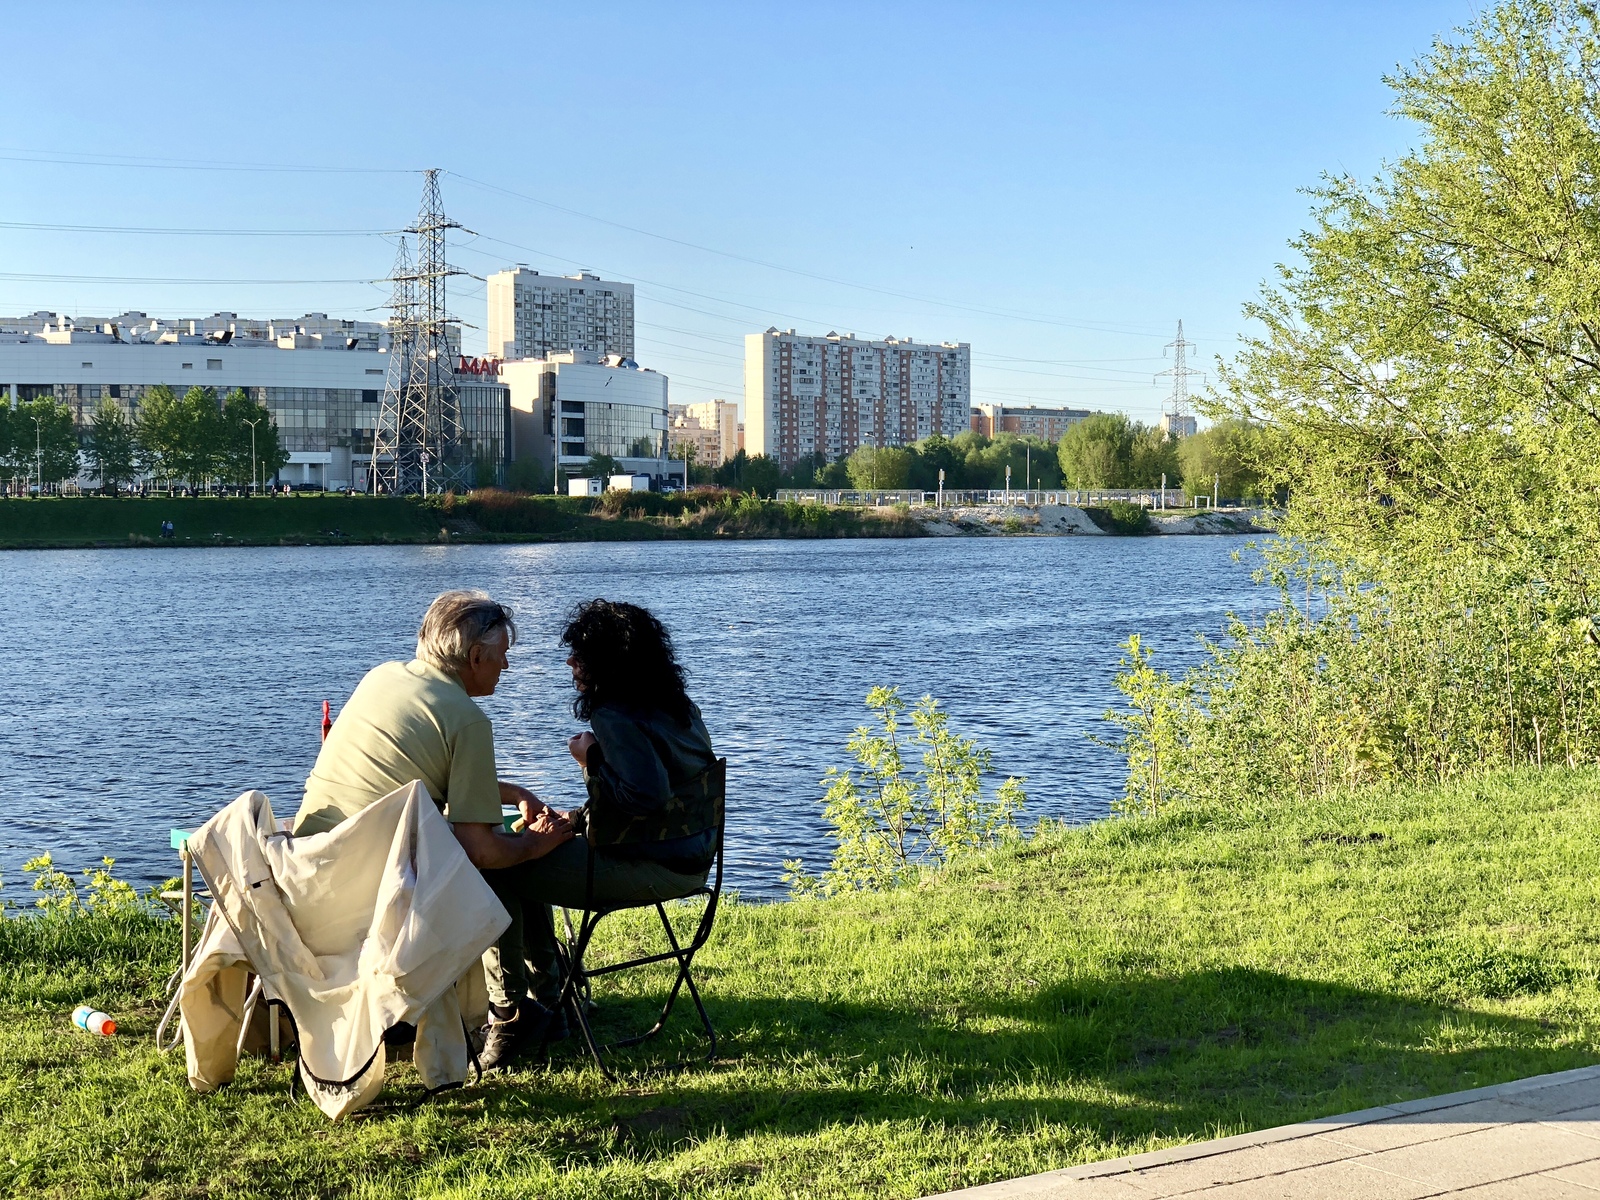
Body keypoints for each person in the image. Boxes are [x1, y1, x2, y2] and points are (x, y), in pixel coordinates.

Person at [477, 598, 717, 1071]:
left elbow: (644, 796)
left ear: (608, 663)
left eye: (580, 656)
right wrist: (578, 820)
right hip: (692, 857)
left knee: (497, 860)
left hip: (652, 866)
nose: (570, 663)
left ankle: (510, 1015)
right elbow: (660, 801)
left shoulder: (614, 716)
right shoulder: (675, 704)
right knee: (527, 842)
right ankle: (554, 1003)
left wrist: (591, 759)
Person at [292, 589, 573, 874]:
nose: (505, 665)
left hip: (304, 860)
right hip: (364, 883)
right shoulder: (467, 719)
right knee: (509, 873)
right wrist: (534, 843)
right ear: (476, 657)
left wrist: (515, 794)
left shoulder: (381, 676)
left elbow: (416, 774)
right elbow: (481, 851)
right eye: (502, 654)